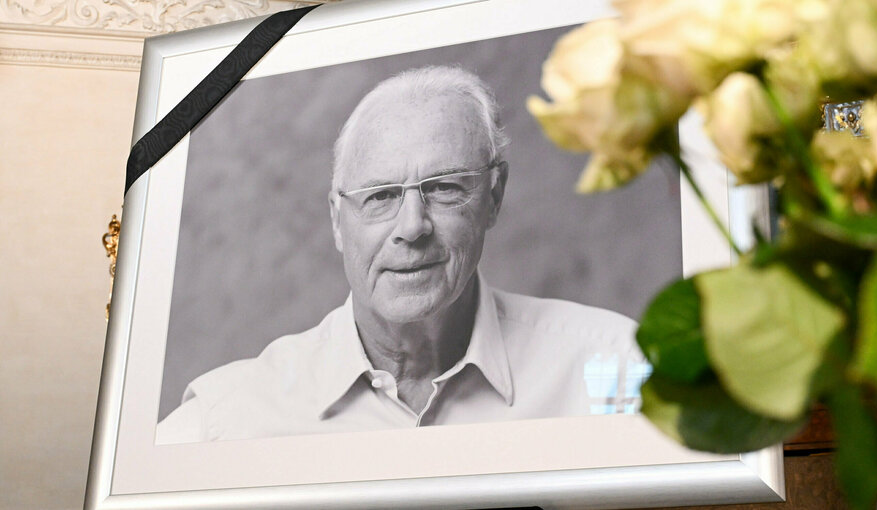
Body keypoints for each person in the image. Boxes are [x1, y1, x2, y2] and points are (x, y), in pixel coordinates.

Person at [156, 65, 647, 444]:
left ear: (493, 198)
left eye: (445, 187)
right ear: (336, 221)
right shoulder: (224, 420)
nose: (412, 227)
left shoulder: (616, 368)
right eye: (381, 196)